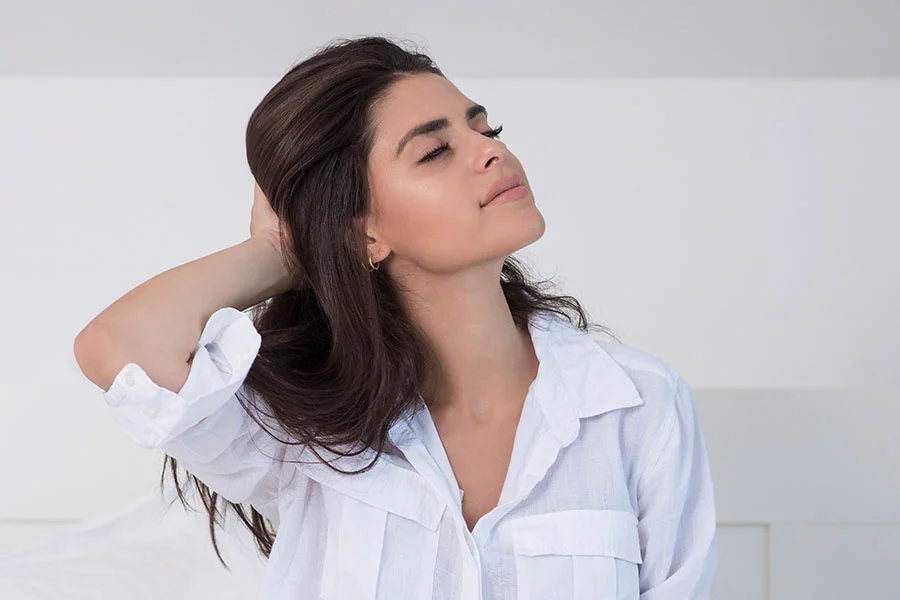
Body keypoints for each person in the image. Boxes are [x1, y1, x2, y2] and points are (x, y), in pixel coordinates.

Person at [73, 35, 719, 599]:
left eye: (485, 128)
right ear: (365, 236)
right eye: (435, 151)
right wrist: (277, 252)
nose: (490, 152)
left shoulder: (638, 409)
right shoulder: (303, 433)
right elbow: (118, 347)